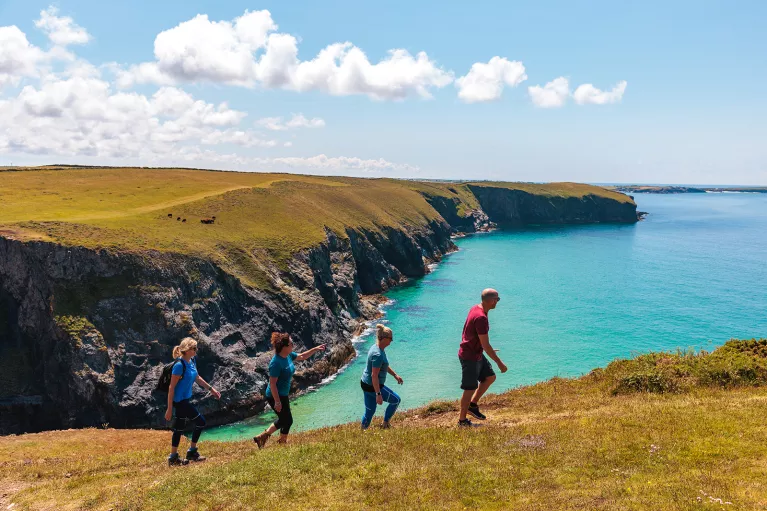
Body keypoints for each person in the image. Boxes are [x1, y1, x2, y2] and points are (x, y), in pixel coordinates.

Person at [253, 333, 326, 448]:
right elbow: (272, 384)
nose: (293, 345)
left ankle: (264, 438)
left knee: (285, 419)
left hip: (283, 394)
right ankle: (277, 441)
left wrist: (315, 349)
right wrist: (277, 402)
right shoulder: (276, 363)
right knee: (287, 420)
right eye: (291, 343)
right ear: (284, 346)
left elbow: (302, 356)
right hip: (274, 395)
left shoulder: (287, 355)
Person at [165, 337, 221, 466]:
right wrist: (169, 409)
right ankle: (192, 452)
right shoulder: (179, 366)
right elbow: (171, 388)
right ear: (187, 350)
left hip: (185, 399)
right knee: (200, 421)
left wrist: (212, 389)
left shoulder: (192, 361)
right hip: (179, 401)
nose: (196, 350)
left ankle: (173, 457)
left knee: (179, 428)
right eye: (194, 348)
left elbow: (197, 377)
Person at [458, 288, 507, 427]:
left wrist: (482, 347)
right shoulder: (481, 317)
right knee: (469, 388)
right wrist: (499, 362)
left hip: (476, 352)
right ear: (491, 300)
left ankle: (472, 405)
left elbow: (478, 339)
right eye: (497, 299)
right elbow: (485, 344)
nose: (497, 301)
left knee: (490, 377)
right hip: (470, 356)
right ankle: (462, 421)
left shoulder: (476, 308)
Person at [360, 324, 404, 429]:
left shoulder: (376, 347)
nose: (391, 341)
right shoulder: (378, 354)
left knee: (370, 411)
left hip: (365, 383)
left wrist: (395, 375)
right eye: (390, 338)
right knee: (396, 400)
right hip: (373, 386)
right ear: (384, 339)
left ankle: (362, 431)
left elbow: (383, 367)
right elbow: (374, 375)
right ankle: (385, 424)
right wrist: (378, 394)